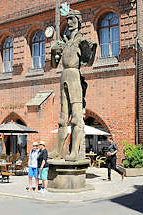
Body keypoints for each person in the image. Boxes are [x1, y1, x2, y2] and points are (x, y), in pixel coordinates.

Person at [49, 9, 97, 161]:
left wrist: (91, 49)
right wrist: (53, 53)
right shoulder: (64, 42)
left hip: (75, 77)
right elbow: (54, 64)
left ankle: (74, 152)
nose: (69, 22)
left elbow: (89, 62)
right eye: (68, 19)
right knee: (63, 119)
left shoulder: (81, 40)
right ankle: (58, 150)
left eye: (72, 19)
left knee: (76, 117)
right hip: (63, 76)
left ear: (78, 20)